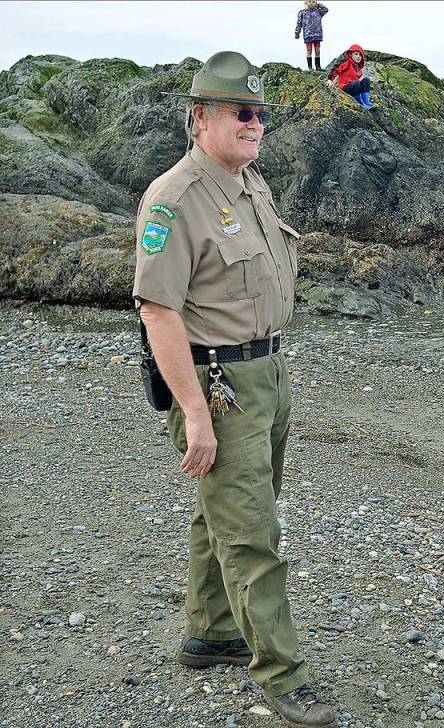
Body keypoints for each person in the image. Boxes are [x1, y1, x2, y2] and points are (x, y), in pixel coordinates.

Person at [133, 51, 336, 728]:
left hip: (268, 373)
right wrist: (194, 412)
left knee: (224, 507)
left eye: (260, 114)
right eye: (241, 113)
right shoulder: (175, 199)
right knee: (253, 532)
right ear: (200, 119)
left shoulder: (250, 184)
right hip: (218, 381)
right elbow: (157, 310)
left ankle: (212, 630)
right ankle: (284, 676)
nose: (256, 125)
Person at [326, 43, 373, 109]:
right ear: (351, 55)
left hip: (355, 89)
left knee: (366, 80)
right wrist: (330, 80)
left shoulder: (358, 68)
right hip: (345, 88)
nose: (358, 56)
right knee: (356, 83)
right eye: (356, 54)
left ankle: (366, 101)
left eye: (360, 55)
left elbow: (359, 77)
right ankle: (360, 102)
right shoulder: (346, 63)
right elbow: (335, 70)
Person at [295, 0, 329, 72]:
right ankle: (310, 67)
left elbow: (326, 9)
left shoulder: (319, 12)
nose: (311, 3)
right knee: (309, 51)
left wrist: (319, 5)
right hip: (308, 35)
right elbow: (299, 24)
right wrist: (297, 33)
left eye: (313, 2)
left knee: (317, 50)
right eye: (309, 1)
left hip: (317, 34)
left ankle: (318, 66)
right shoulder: (302, 13)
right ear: (306, 3)